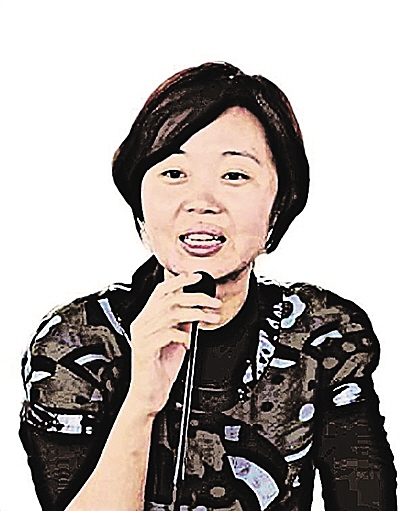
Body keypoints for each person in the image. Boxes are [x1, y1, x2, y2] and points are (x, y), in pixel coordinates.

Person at [19, 62, 397, 511]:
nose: (201, 203)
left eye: (234, 175)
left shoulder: (323, 334)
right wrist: (141, 402)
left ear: (279, 207)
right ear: (140, 207)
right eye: (174, 173)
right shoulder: (77, 346)